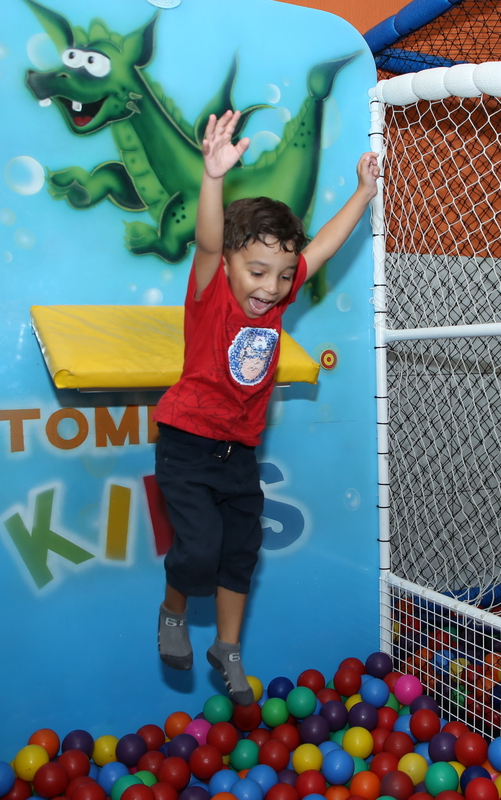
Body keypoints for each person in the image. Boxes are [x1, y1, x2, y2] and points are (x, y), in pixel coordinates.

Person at [154, 109, 380, 704]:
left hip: (239, 453)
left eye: (282, 276)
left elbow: (322, 248)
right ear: (230, 262)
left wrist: (363, 193)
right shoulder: (211, 291)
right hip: (187, 445)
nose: (271, 287)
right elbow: (208, 238)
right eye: (257, 272)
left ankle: (227, 648)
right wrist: (213, 176)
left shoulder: (276, 304)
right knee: (198, 550)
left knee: (242, 551)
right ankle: (173, 612)